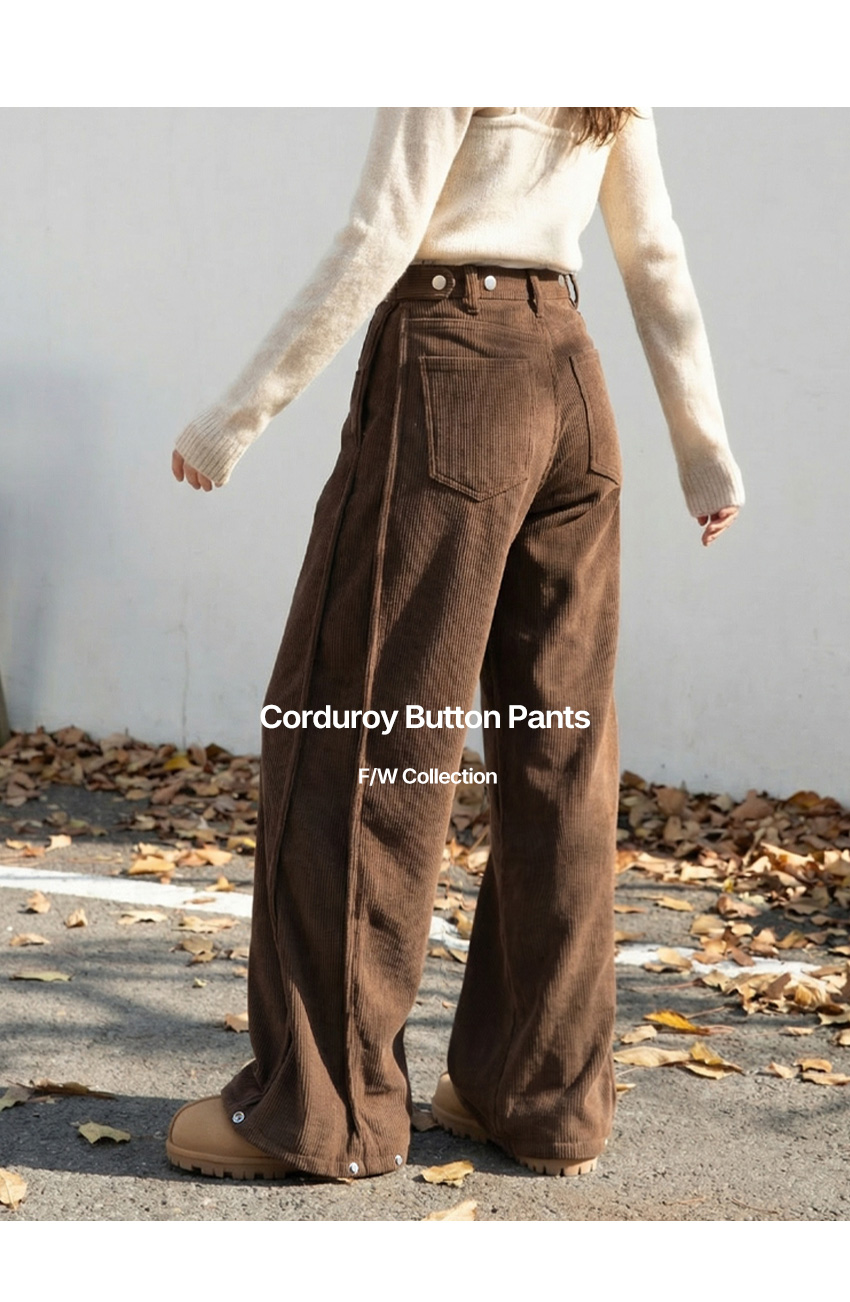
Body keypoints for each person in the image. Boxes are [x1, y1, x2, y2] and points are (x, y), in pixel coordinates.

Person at [166, 107, 744, 1182]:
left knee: (360, 735)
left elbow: (381, 234)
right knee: (560, 754)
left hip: (451, 369)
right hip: (573, 387)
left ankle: (326, 1114)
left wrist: (232, 419)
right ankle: (538, 1099)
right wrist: (705, 453)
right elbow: (653, 249)